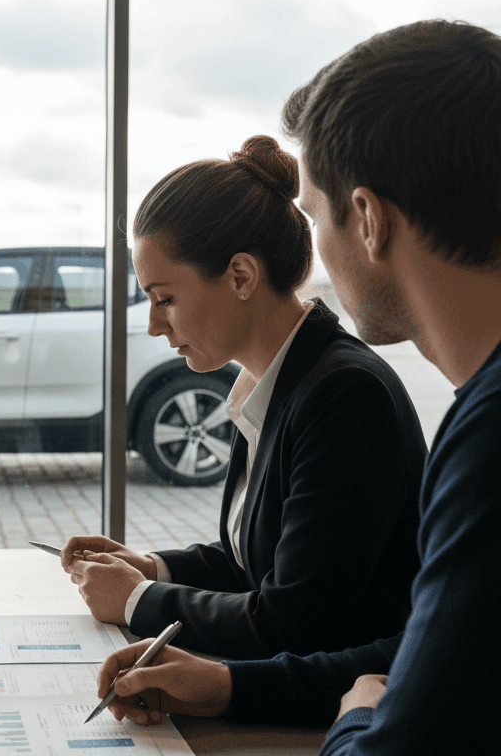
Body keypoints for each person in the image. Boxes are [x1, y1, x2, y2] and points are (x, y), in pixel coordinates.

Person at [95, 19, 501, 756]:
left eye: (315, 215)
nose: (310, 247)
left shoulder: (475, 432)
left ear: (369, 218)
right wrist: (232, 682)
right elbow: (440, 644)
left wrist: (360, 712)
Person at [62, 136, 426, 660]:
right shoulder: (274, 379)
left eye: (165, 298)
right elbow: (256, 561)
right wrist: (152, 569)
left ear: (240, 276)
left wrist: (137, 601)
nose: (153, 324)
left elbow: (293, 622)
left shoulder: (345, 396)